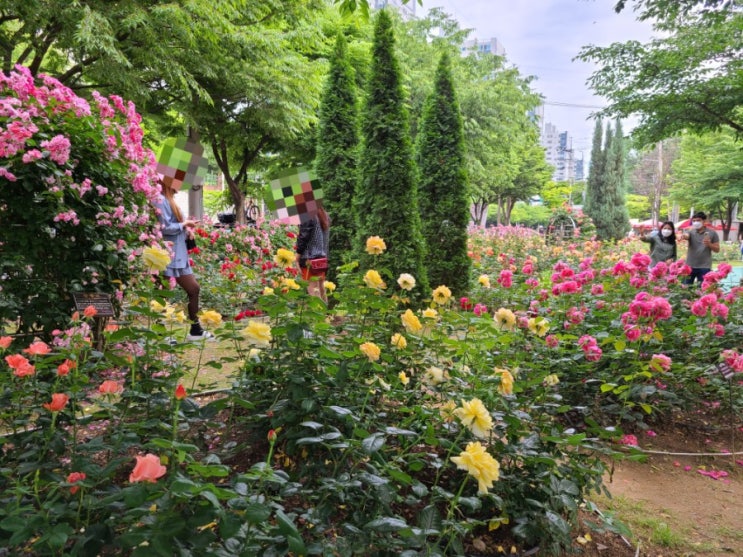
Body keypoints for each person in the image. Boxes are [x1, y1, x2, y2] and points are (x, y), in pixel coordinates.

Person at [153, 178, 213, 341]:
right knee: (162, 294)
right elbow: (164, 228)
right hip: (166, 254)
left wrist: (187, 229)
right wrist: (183, 225)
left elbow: (176, 225)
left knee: (194, 289)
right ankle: (160, 334)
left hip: (179, 255)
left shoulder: (171, 200)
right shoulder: (159, 199)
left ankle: (195, 330)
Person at [296, 206, 330, 303]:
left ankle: (319, 317)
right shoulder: (323, 213)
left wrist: (297, 258)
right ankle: (327, 316)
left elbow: (304, 236)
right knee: (321, 290)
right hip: (321, 259)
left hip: (309, 259)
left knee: (313, 292)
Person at [681, 211, 720, 285]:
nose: (695, 222)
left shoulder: (712, 233)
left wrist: (709, 244)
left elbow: (717, 249)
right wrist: (684, 236)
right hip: (689, 266)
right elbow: (686, 235)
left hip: (704, 266)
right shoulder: (690, 231)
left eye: (698, 220)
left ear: (704, 221)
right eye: (694, 221)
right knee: (685, 289)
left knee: (703, 289)